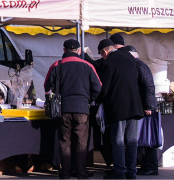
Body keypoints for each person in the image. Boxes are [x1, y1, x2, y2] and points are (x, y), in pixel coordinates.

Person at [44, 39, 101, 180]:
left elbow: (47, 86)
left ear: (64, 50)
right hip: (82, 108)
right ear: (79, 51)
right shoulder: (88, 65)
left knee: (65, 142)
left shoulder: (57, 65)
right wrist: (88, 99)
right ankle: (81, 173)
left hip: (63, 108)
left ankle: (65, 174)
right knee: (81, 143)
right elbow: (98, 86)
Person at [96, 38, 150, 179]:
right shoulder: (130, 58)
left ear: (105, 52)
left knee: (118, 141)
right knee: (132, 141)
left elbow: (105, 88)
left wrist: (97, 100)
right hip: (135, 105)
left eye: (102, 54)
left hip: (119, 107)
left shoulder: (109, 63)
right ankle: (131, 172)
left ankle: (119, 171)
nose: (102, 57)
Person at [110, 36, 158, 177]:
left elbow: (148, 85)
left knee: (145, 138)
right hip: (139, 106)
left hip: (142, 107)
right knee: (137, 139)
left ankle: (150, 165)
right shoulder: (136, 64)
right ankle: (139, 167)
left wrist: (148, 105)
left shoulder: (138, 65)